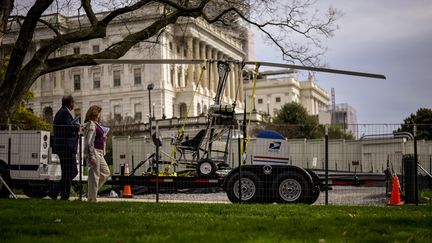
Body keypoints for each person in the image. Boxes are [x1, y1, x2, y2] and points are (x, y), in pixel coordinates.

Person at [51, 95, 79, 200]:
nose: (74, 104)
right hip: (66, 147)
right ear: (70, 103)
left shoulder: (61, 112)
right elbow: (68, 128)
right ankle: (63, 194)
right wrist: (76, 127)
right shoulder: (65, 113)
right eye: (73, 102)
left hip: (63, 147)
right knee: (69, 172)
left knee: (69, 172)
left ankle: (54, 191)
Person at [83, 105, 110, 202]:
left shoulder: (97, 124)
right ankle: (92, 199)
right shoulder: (90, 124)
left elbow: (97, 136)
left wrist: (103, 138)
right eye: (98, 113)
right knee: (94, 176)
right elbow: (89, 141)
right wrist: (91, 155)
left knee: (106, 173)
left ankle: (90, 194)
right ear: (94, 113)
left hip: (100, 152)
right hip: (94, 151)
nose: (99, 115)